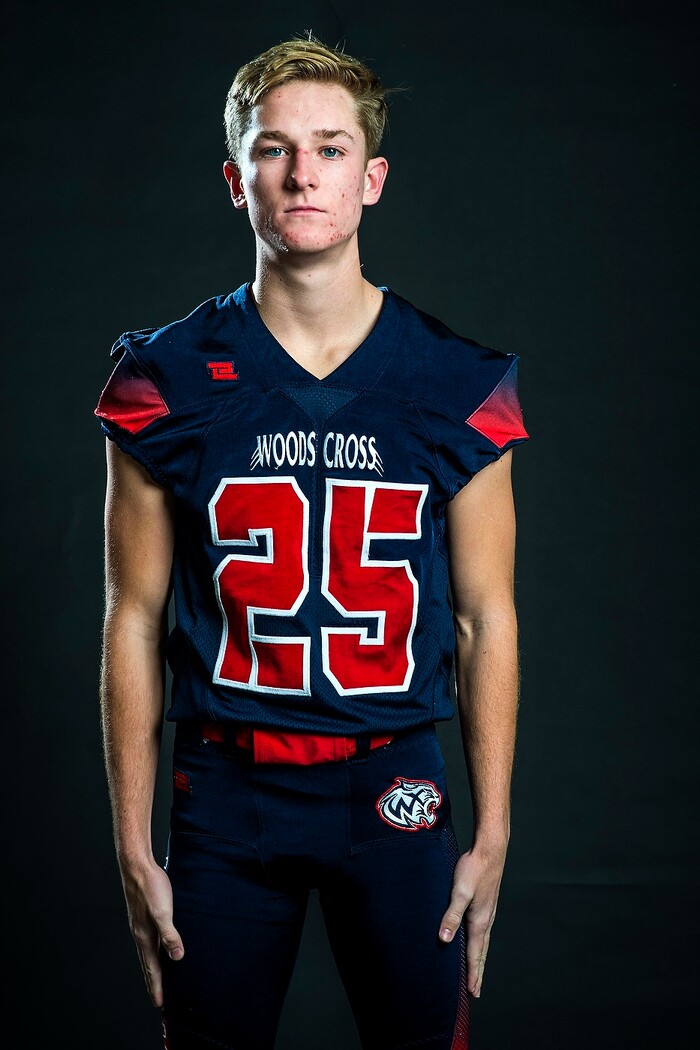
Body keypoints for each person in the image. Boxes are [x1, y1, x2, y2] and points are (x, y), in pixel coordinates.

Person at [95, 33, 529, 1050]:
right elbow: (133, 614)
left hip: (394, 789)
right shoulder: (164, 376)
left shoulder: (455, 381)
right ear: (235, 177)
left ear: (371, 177)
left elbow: (483, 613)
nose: (302, 173)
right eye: (274, 148)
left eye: (330, 148)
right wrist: (130, 843)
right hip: (225, 793)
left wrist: (495, 828)